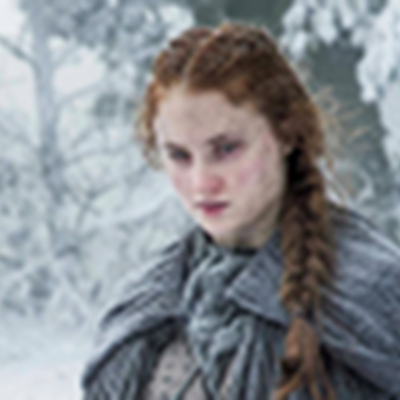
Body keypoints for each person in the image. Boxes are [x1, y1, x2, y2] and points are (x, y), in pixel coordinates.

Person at [81, 22, 400, 400]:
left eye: (226, 149)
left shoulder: (374, 294)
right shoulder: (140, 314)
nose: (202, 183)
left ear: (285, 132)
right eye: (179, 155)